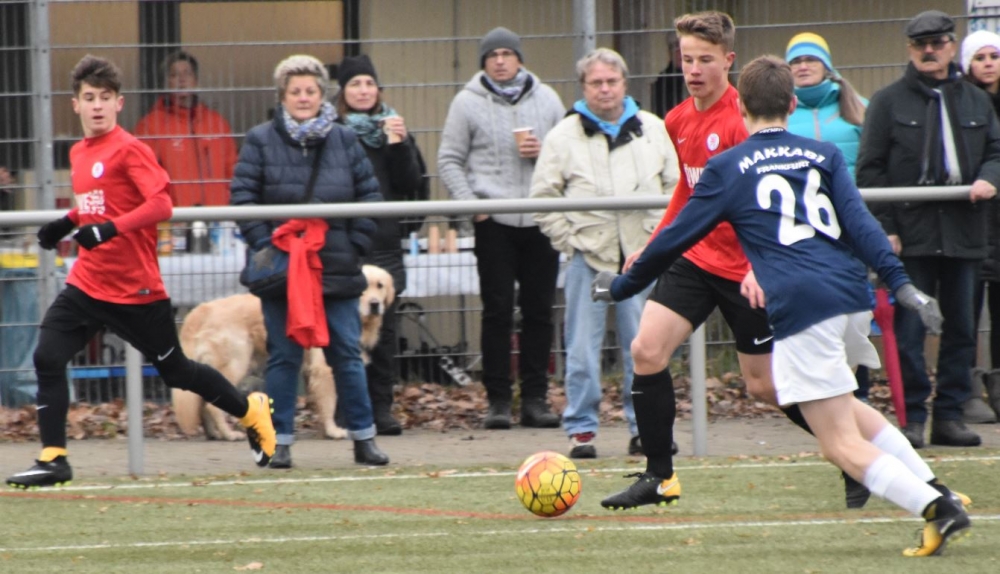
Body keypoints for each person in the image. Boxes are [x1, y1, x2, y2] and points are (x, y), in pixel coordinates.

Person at [595, 54, 971, 558]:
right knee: (847, 410)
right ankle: (936, 488)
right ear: (792, 105)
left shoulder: (728, 167)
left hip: (803, 304)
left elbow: (672, 239)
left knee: (838, 442)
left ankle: (936, 508)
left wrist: (623, 286)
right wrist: (902, 285)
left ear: (741, 108)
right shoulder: (823, 154)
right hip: (848, 295)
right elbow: (861, 224)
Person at [5, 55, 276, 489]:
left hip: (136, 291)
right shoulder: (79, 152)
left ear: (119, 103)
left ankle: (250, 411)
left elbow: (161, 204)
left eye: (105, 97)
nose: (97, 105)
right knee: (47, 357)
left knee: (178, 372)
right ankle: (54, 459)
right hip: (88, 285)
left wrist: (109, 229)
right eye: (89, 97)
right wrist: (68, 221)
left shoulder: (130, 149)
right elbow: (98, 202)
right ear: (75, 104)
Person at [596, 10, 774, 510]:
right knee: (646, 351)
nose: (693, 69)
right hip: (695, 260)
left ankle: (850, 449)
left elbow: (764, 206)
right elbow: (687, 192)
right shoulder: (676, 119)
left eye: (705, 60)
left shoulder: (742, 122)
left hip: (745, 272)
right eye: (687, 58)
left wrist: (761, 265)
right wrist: (656, 244)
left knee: (763, 386)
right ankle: (659, 477)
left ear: (729, 61)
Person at [230, 54, 386, 469]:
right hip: (283, 269)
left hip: (336, 265)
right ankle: (278, 441)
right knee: (284, 356)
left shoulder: (345, 140)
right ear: (282, 96)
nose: (303, 97)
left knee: (346, 354)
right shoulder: (260, 139)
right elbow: (243, 197)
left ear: (322, 95)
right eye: (295, 91)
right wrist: (267, 247)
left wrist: (354, 245)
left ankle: (364, 439)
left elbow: (369, 197)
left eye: (311, 90)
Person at [856, 11, 1000, 448]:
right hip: (911, 234)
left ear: (952, 47)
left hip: (964, 231)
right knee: (910, 331)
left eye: (937, 43)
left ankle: (949, 417)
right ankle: (913, 417)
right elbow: (870, 170)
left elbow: (996, 151)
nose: (929, 50)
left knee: (961, 328)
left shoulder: (976, 101)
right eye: (921, 44)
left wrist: (989, 177)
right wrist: (886, 228)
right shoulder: (887, 102)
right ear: (910, 49)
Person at [531, 48, 679, 458]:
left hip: (642, 258)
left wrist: (656, 239)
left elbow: (677, 189)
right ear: (583, 87)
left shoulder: (654, 129)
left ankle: (645, 430)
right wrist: (571, 240)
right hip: (590, 258)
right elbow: (542, 198)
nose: (605, 89)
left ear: (624, 84)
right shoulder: (563, 136)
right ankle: (582, 431)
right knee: (581, 349)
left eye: (612, 81)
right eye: (596, 82)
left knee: (645, 347)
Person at [438, 27, 565, 429]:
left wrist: (542, 153)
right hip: (493, 222)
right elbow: (448, 159)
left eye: (507, 53)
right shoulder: (466, 102)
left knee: (539, 312)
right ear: (484, 63)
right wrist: (473, 207)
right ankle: (497, 401)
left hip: (540, 219)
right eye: (492, 55)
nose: (500, 61)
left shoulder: (548, 99)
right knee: (497, 312)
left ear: (520, 59)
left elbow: (568, 156)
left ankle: (535, 399)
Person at [335, 54, 429, 436]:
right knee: (343, 330)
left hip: (386, 245)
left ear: (378, 89)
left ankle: (381, 409)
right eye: (355, 84)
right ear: (343, 92)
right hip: (346, 244)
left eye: (369, 84)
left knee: (385, 334)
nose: (363, 91)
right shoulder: (333, 131)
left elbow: (412, 185)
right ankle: (345, 411)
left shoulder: (395, 129)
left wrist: (398, 146)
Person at [784, 32, 875, 404]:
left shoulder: (859, 107)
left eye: (811, 59)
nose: (803, 66)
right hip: (800, 230)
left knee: (854, 312)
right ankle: (816, 397)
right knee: (809, 313)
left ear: (827, 66)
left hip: (849, 230)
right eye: (795, 61)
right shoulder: (781, 114)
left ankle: (859, 394)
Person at [134, 51, 238, 207]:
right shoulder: (150, 126)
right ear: (166, 82)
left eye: (187, 73)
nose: (181, 79)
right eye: (174, 75)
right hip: (176, 216)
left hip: (218, 214)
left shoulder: (217, 123)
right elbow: (144, 177)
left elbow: (233, 171)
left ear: (196, 80)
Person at [961, 29, 1000, 421]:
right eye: (979, 57)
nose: (988, 63)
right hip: (971, 220)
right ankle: (967, 388)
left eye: (994, 56)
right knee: (966, 310)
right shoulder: (962, 104)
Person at [649, 34, 687, 117]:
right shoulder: (663, 81)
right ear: (669, 52)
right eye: (676, 48)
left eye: (684, 48)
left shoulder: (698, 74)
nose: (680, 53)